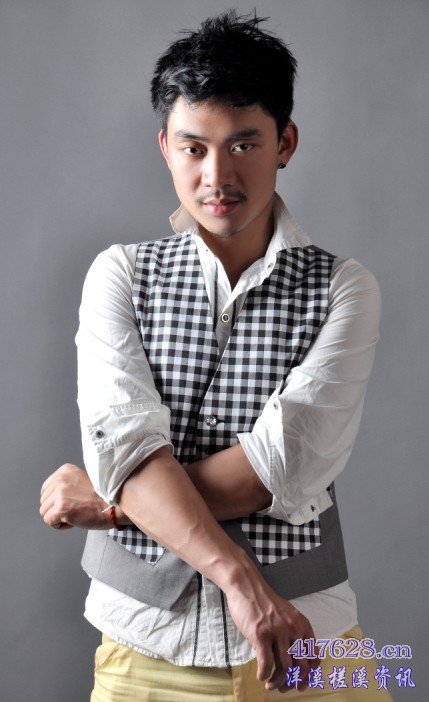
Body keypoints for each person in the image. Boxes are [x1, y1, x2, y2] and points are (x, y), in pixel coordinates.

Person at [40, 10, 393, 701]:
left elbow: (277, 466)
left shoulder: (343, 288)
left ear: (285, 142)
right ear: (165, 147)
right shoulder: (121, 274)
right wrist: (239, 579)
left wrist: (111, 501)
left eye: (243, 144)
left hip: (313, 644)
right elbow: (128, 448)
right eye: (194, 148)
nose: (216, 175)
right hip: (146, 648)